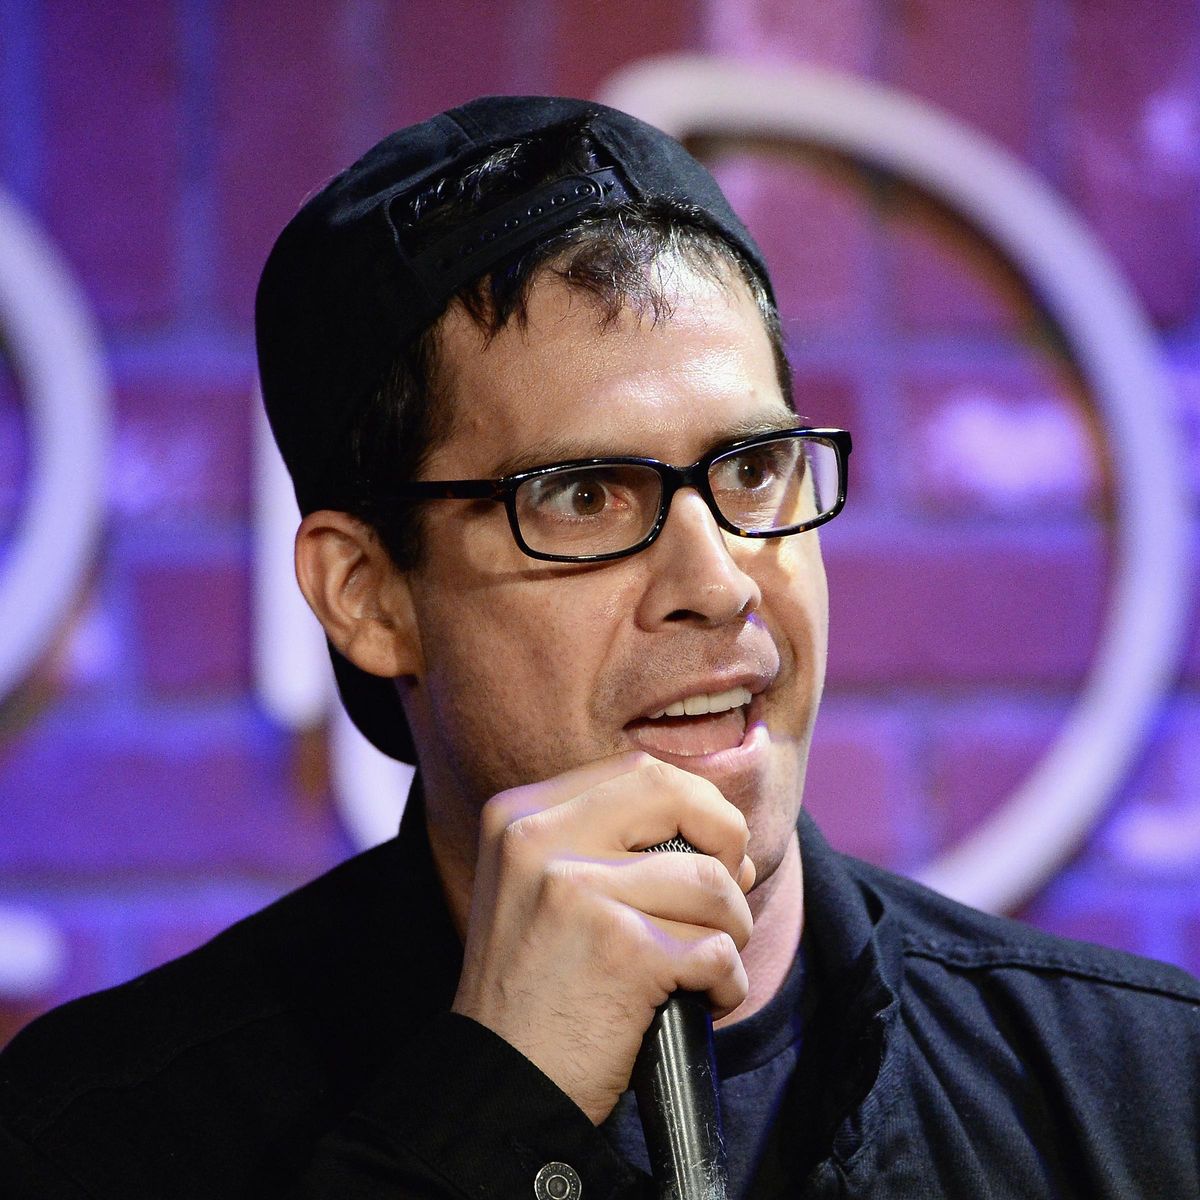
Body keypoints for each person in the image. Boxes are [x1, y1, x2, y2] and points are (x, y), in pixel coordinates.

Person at [1, 95, 1198, 1199]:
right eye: (585, 497)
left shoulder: (1147, 1088)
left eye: (753, 469)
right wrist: (493, 1106)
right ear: (366, 594)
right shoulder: (93, 1140)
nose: (717, 583)